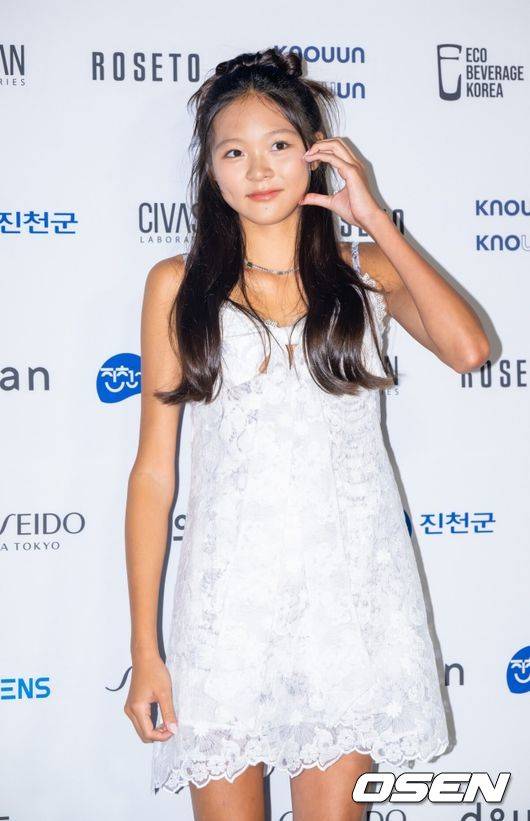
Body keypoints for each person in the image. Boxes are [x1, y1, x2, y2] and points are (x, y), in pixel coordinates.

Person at [123, 47, 490, 821]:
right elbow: (154, 473)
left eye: (279, 144)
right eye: (234, 151)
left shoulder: (365, 272)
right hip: (228, 608)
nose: (259, 168)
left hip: (348, 607)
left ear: (316, 154)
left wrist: (374, 219)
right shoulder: (177, 285)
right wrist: (145, 650)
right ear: (211, 172)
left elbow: (468, 349)